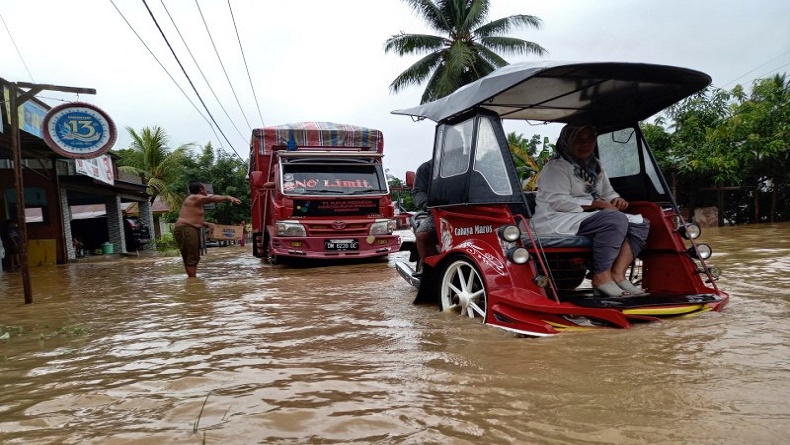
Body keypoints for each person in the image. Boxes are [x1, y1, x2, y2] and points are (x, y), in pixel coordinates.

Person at [532, 124, 650, 298]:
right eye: (579, 139)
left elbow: (608, 192)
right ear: (567, 142)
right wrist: (598, 204)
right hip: (557, 217)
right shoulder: (556, 167)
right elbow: (558, 202)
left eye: (590, 139)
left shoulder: (596, 166)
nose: (585, 144)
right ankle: (601, 277)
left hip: (588, 217)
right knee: (614, 220)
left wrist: (616, 200)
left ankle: (618, 275)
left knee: (640, 224)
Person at [173, 182, 241, 278]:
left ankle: (192, 280)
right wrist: (227, 197)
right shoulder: (194, 197)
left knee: (192, 257)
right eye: (205, 189)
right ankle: (193, 281)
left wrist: (207, 224)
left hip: (187, 228)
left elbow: (192, 217)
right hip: (187, 229)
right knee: (192, 257)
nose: (207, 191)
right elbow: (211, 198)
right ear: (201, 189)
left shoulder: (195, 200)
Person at [412, 160, 439, 270]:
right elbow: (418, 192)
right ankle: (430, 270)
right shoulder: (427, 167)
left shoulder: (473, 164)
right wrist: (428, 204)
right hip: (440, 212)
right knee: (423, 235)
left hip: (473, 212)